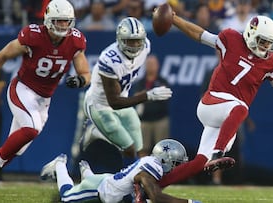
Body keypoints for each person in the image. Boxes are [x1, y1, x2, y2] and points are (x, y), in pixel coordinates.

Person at [158, 12, 273, 188]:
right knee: (242, 109)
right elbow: (199, 34)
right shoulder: (231, 39)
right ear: (251, 34)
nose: (267, 46)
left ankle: (152, 186)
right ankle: (217, 154)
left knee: (198, 163)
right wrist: (174, 19)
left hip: (227, 117)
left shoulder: (271, 63)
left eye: (270, 42)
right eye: (263, 40)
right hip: (212, 102)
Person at [0, 0, 91, 190]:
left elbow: (86, 73)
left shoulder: (75, 41)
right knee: (31, 128)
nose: (63, 25)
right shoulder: (33, 36)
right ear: (49, 20)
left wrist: (80, 81)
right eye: (59, 21)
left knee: (17, 148)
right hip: (22, 89)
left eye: (66, 21)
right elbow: (2, 55)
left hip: (44, 100)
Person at [82, 17, 172, 160]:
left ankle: (100, 134)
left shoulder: (146, 47)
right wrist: (147, 96)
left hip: (122, 100)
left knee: (139, 146)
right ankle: (129, 179)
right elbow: (114, 102)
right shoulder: (110, 60)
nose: (135, 45)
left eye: (138, 40)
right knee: (129, 149)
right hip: (100, 106)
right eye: (130, 41)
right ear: (120, 39)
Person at [40, 139, 201, 203]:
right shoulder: (154, 166)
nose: (175, 167)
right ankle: (60, 164)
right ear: (165, 159)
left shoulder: (151, 164)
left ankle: (86, 171)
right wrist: (188, 202)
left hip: (109, 184)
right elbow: (156, 196)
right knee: (66, 197)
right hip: (98, 189)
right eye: (175, 163)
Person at [133, 54, 171, 157]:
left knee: (162, 150)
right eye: (149, 64)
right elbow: (136, 97)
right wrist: (152, 95)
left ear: (157, 65)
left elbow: (164, 96)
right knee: (143, 148)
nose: (151, 66)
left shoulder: (162, 81)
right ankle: (143, 170)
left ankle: (161, 171)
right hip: (144, 120)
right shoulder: (140, 82)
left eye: (153, 64)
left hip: (160, 119)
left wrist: (146, 96)